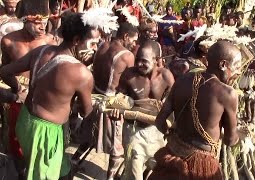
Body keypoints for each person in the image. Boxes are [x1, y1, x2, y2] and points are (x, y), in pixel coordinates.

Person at [0, 12, 95, 180]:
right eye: (91, 42)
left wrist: (18, 89)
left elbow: (5, 72)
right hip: (46, 134)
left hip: (25, 121)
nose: (93, 47)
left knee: (44, 168)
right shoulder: (81, 73)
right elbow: (86, 111)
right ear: (77, 40)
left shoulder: (40, 51)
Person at [148, 40, 240, 179]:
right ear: (223, 65)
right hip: (202, 168)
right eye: (236, 66)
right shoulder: (227, 94)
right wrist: (240, 136)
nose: (237, 72)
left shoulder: (183, 80)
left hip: (172, 155)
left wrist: (172, 135)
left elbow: (160, 121)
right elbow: (230, 140)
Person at [0, 0, 56, 176]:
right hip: (18, 101)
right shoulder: (9, 41)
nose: (42, 27)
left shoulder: (51, 41)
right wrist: (17, 89)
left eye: (44, 22)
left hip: (43, 103)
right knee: (16, 144)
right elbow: (4, 69)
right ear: (25, 20)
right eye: (37, 22)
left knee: (39, 147)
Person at [116, 40, 174, 180]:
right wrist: (115, 110)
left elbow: (174, 104)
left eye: (144, 61)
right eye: (137, 60)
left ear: (156, 60)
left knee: (159, 170)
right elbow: (118, 100)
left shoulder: (166, 76)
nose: (139, 64)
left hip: (157, 132)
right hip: (133, 131)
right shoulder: (129, 75)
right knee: (134, 174)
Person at [92, 22, 138, 179]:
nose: (134, 44)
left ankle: (75, 162)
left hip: (93, 98)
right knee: (117, 149)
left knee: (89, 138)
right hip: (111, 105)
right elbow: (133, 82)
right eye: (133, 40)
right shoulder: (127, 56)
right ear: (125, 37)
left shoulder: (102, 45)